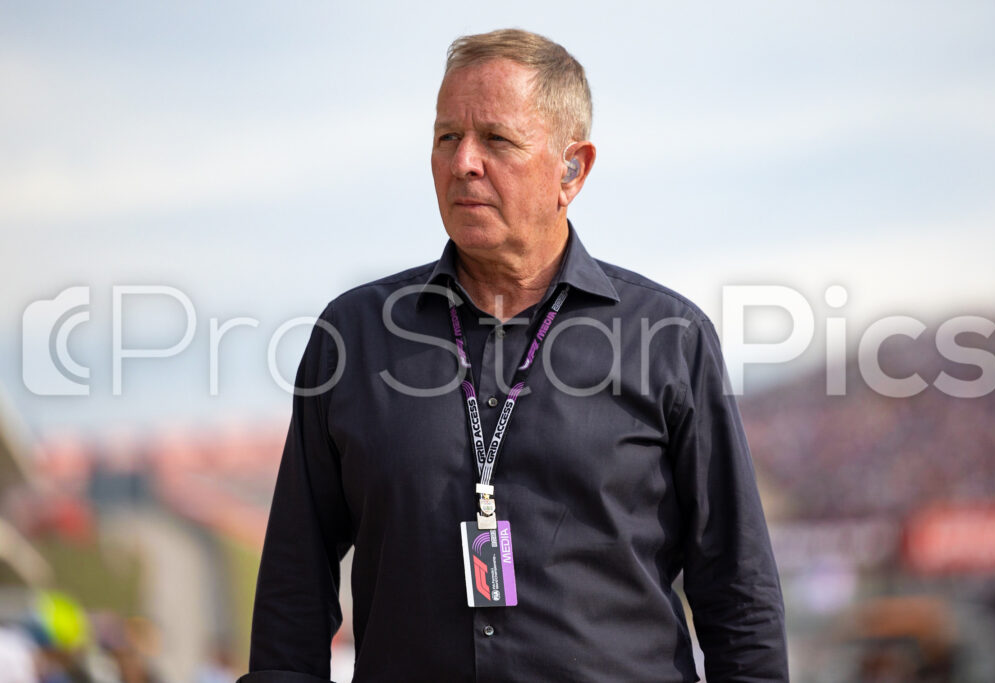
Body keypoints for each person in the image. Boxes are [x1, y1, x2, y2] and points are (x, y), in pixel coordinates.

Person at [241, 28, 787, 682]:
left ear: (572, 168)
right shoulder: (352, 336)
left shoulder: (669, 338)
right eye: (447, 137)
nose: (464, 161)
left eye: (496, 139)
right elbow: (293, 588)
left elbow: (738, 588)